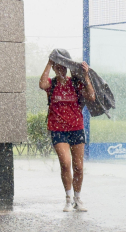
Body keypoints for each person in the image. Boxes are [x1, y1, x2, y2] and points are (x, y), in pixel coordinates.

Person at [39, 52, 95, 212]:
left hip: (76, 127)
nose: (61, 69)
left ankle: (78, 198)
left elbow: (91, 96)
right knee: (65, 163)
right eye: (58, 66)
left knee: (78, 167)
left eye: (64, 66)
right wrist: (49, 63)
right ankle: (68, 198)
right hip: (58, 129)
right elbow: (42, 84)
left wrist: (86, 75)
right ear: (55, 68)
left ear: (68, 67)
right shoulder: (53, 83)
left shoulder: (75, 83)